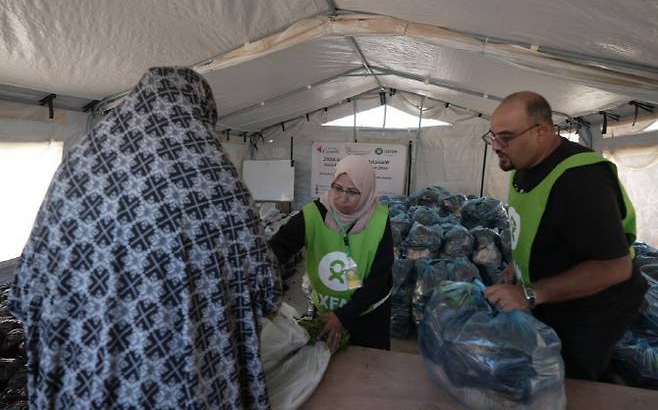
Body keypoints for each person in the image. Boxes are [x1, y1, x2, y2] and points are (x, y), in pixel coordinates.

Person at [9, 67, 282, 409]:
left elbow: (32, 283)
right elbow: (262, 283)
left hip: (87, 370)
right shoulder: (215, 177)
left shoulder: (82, 164)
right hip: (187, 375)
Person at [482, 91, 647, 381]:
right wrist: (517, 265)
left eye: (505, 137)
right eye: (492, 136)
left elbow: (615, 267)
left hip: (591, 308)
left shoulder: (581, 181)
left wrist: (530, 293)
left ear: (541, 131)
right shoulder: (522, 166)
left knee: (569, 379)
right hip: (551, 298)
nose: (496, 146)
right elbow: (537, 227)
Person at [270, 155, 393, 351]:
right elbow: (278, 248)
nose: (342, 197)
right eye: (337, 188)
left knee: (368, 368)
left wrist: (344, 316)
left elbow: (380, 277)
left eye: (353, 192)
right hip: (327, 311)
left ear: (367, 191)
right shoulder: (313, 214)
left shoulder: (379, 220)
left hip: (368, 315)